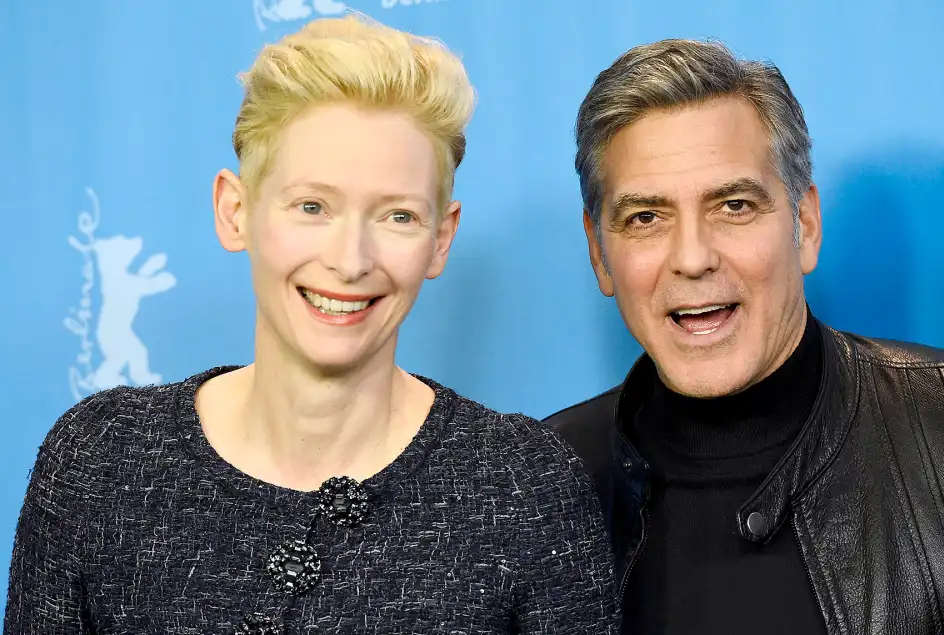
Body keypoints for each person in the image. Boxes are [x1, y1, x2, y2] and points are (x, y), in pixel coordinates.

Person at [4, 16, 618, 635]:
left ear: (441, 239)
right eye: (312, 207)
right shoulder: (102, 461)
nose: (350, 261)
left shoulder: (523, 488)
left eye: (398, 216)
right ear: (235, 211)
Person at [546, 37, 944, 635]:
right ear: (599, 254)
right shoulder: (536, 482)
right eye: (646, 218)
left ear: (805, 225)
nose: (692, 258)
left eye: (733, 206)